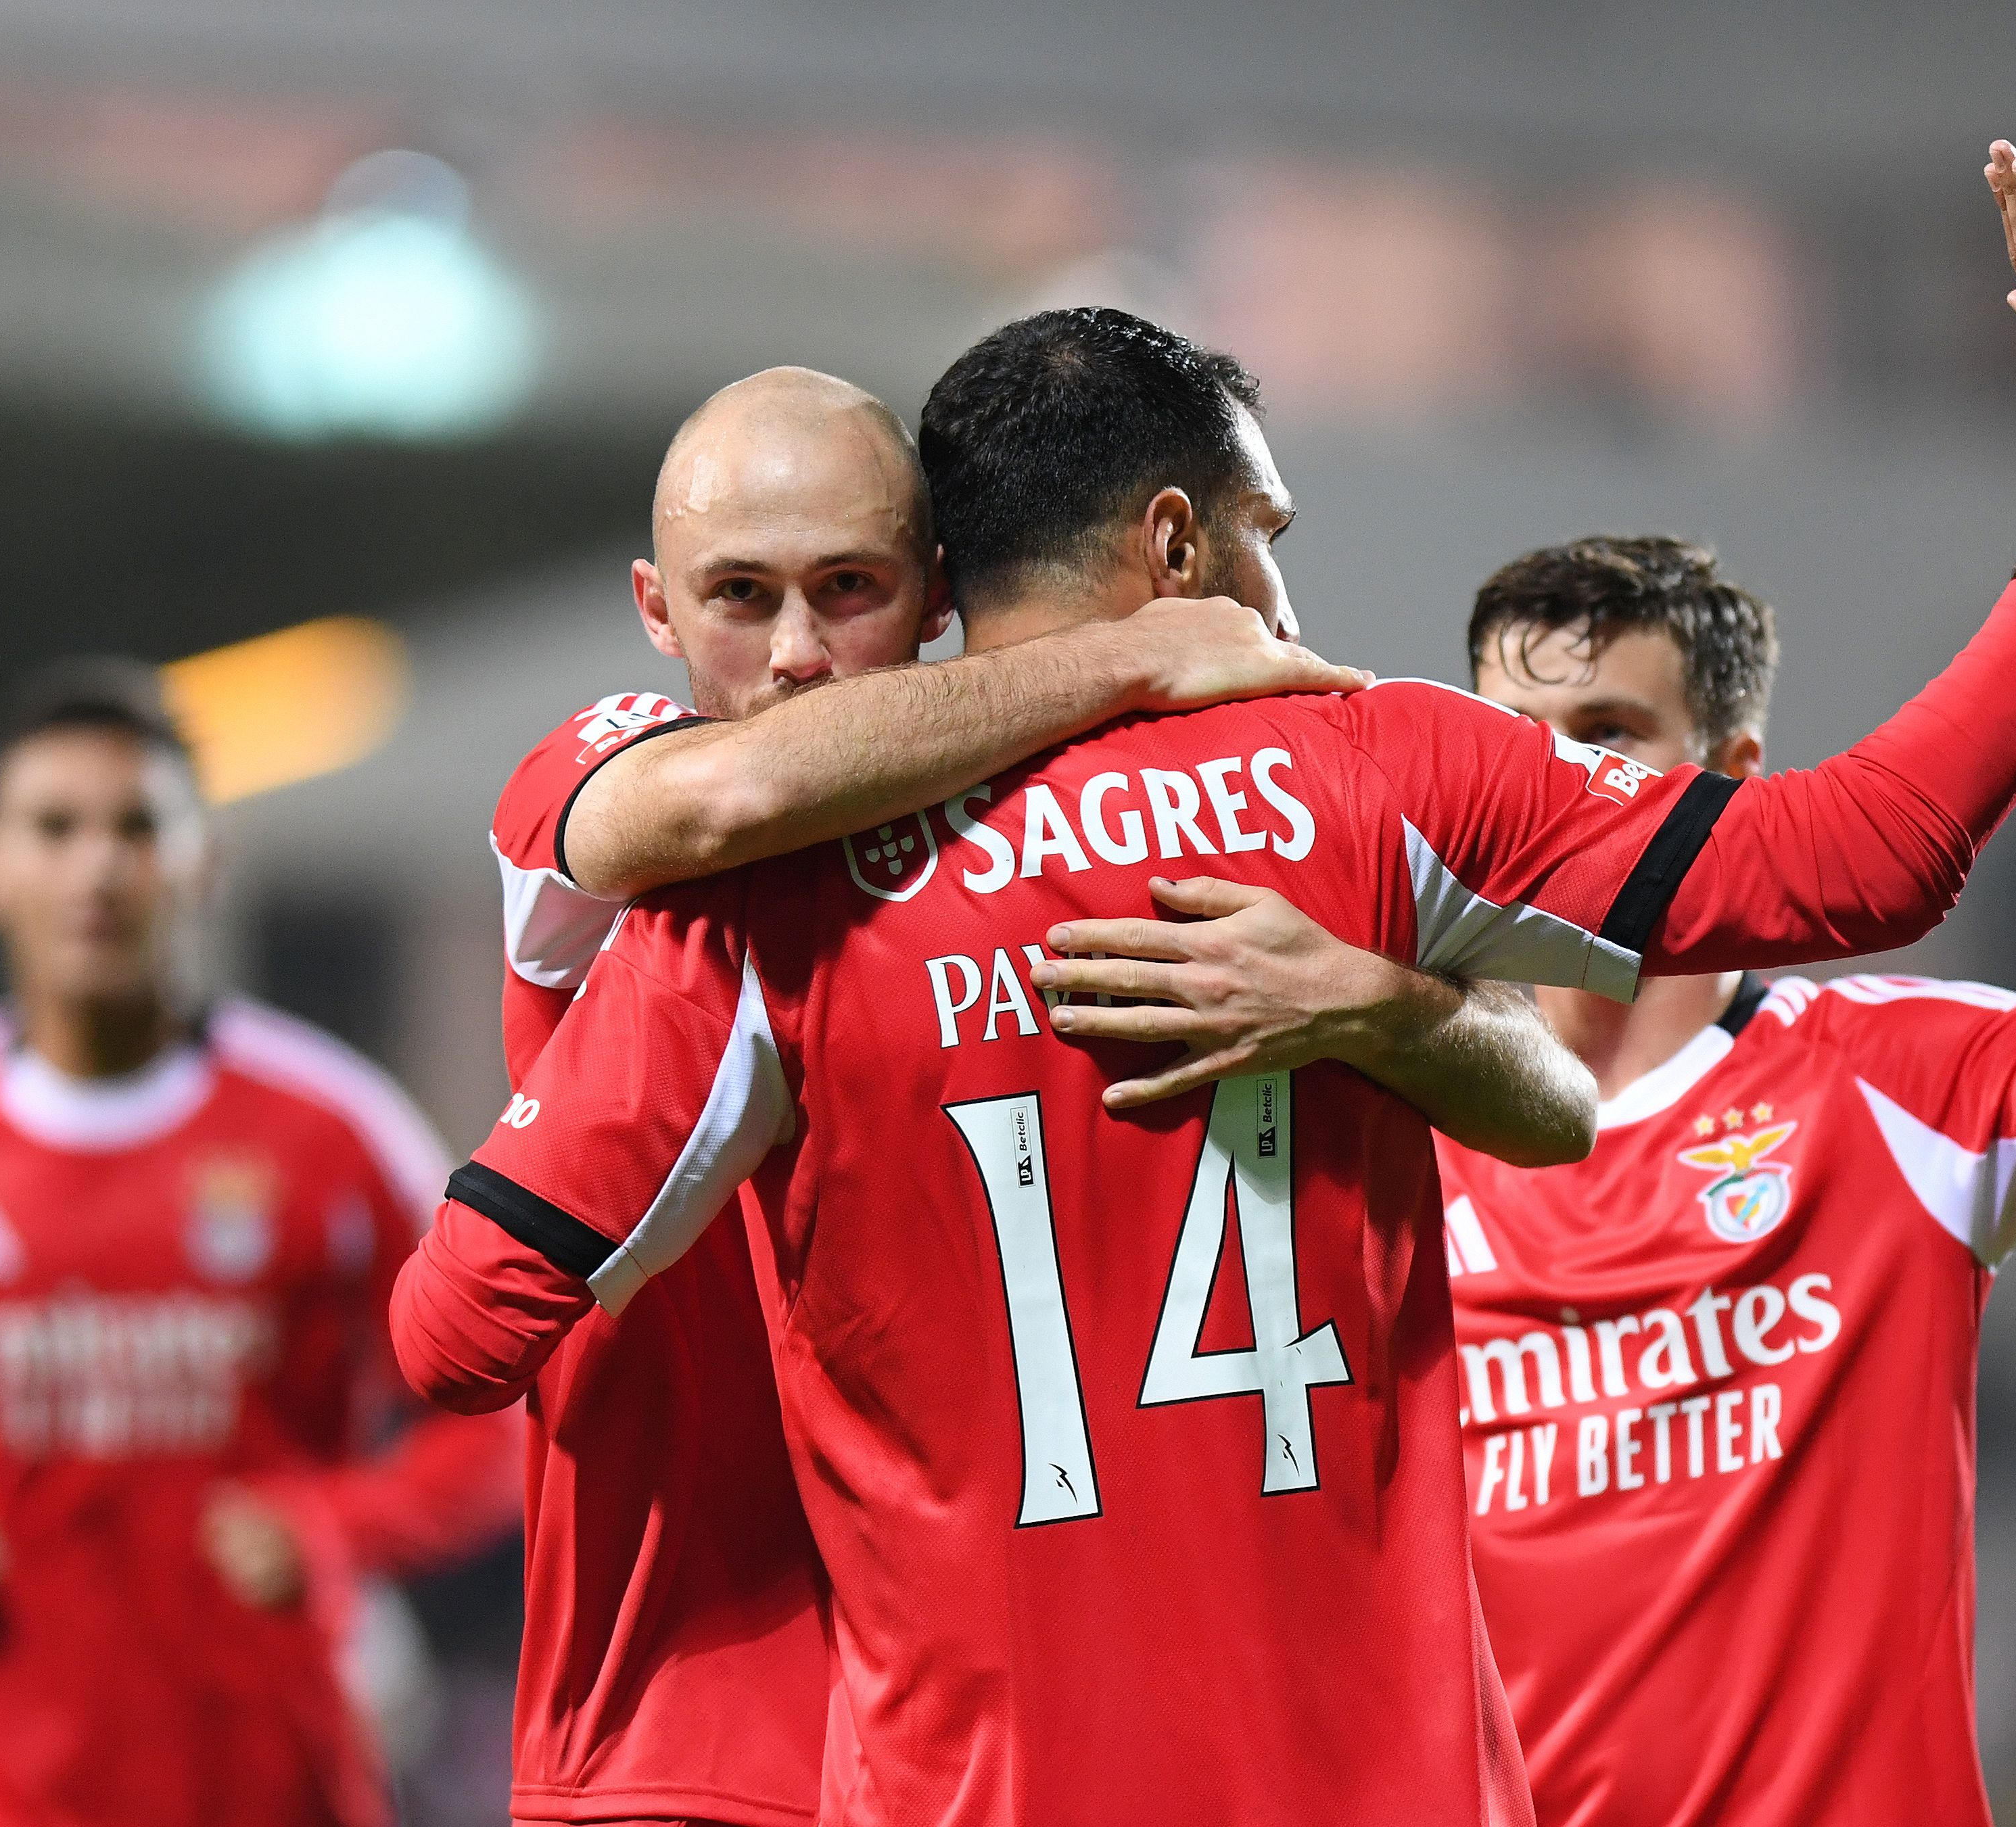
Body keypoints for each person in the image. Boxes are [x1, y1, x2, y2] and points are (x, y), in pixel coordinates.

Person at [392, 144, 2016, 1827]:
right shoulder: (1371, 764)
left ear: (936, 587)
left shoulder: (758, 908)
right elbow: (1867, 855)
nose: (1280, 595)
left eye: (840, 588)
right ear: (1177, 546)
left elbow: (456, 1329)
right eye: (1268, 536)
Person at [475, 366, 1596, 1827]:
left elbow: (1554, 1104)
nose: (798, 652)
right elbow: (718, 803)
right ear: (656, 607)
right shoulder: (617, 769)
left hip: (980, 1722)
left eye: (848, 588)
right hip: (676, 1725)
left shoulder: (1056, 841)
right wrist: (1129, 656)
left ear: (935, 590)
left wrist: (1382, 1005)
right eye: (739, 595)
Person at [1429, 427, 2016, 1827]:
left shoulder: (1892, 1078)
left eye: (1606, 737)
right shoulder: (1398, 1133)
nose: (1553, 786)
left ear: (1732, 773)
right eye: (1513, 738)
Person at [0, 666, 521, 1827]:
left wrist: (338, 1528)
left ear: (201, 860)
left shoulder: (334, 1130)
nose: (97, 867)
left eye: (137, 827)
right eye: (54, 828)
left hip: (270, 1781)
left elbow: (495, 1411)